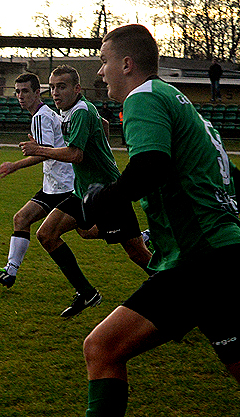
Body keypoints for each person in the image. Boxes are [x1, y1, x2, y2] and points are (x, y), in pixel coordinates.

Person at [27, 24, 240, 417]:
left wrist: (104, 200)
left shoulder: (144, 98)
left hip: (199, 261)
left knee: (102, 347)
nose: (100, 69)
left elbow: (150, 166)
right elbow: (237, 177)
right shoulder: (176, 100)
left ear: (127, 64)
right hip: (222, 254)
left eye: (104, 59)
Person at [19, 65, 153, 318]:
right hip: (84, 192)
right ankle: (87, 293)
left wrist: (40, 150)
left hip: (107, 192)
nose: (56, 92)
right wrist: (102, 144)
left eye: (62, 86)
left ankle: (183, 292)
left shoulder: (80, 111)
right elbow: (102, 123)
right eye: (53, 87)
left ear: (77, 88)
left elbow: (75, 154)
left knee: (136, 253)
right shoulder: (69, 111)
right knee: (47, 234)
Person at [0, 73, 74, 288]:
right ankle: (10, 272)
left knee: (87, 231)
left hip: (65, 185)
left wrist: (14, 166)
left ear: (36, 93)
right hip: (53, 185)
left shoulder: (41, 116)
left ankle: (141, 237)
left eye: (25, 91)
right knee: (21, 219)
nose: (20, 96)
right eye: (17, 91)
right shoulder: (42, 115)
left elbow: (45, 153)